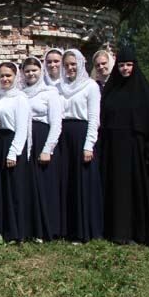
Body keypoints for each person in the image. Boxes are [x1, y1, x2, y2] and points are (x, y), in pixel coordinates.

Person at [100, 47, 149, 246]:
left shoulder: (144, 92)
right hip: (114, 150)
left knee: (136, 191)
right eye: (121, 65)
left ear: (134, 66)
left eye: (128, 65)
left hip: (137, 151)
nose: (125, 69)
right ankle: (117, 232)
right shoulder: (111, 91)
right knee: (116, 191)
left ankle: (138, 232)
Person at [57, 49, 102, 241]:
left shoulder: (90, 86)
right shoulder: (58, 86)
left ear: (81, 64)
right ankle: (67, 228)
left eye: (73, 64)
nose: (70, 68)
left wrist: (88, 145)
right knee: (66, 181)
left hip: (81, 135)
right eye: (66, 65)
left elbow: (94, 118)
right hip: (62, 135)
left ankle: (84, 229)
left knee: (81, 182)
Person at [20, 56, 62, 241]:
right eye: (27, 71)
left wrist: (48, 149)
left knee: (45, 186)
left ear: (41, 71)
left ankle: (48, 228)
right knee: (28, 185)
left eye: (34, 70)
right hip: (25, 139)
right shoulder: (20, 93)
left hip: (42, 138)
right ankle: (31, 228)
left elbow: (56, 123)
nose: (31, 74)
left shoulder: (50, 93)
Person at [0, 62, 31, 243]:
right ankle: (2, 228)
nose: (5, 79)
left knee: (14, 188)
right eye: (2, 76)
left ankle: (17, 232)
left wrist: (13, 152)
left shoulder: (20, 98)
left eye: (8, 75)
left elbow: (22, 128)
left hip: (12, 143)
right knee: (1, 188)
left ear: (15, 76)